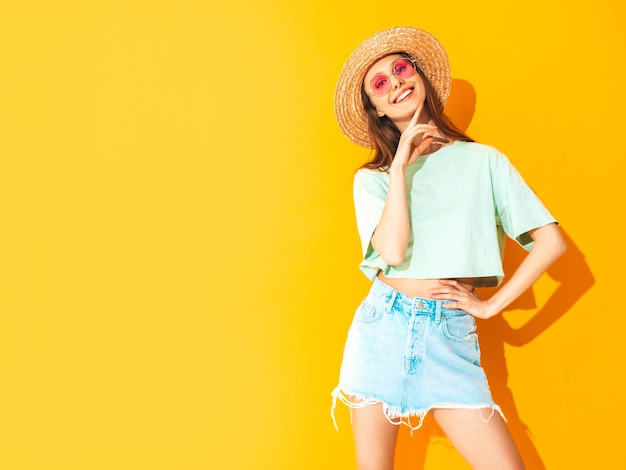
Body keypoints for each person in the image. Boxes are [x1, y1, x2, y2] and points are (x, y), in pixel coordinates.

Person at [330, 26, 567, 470]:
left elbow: (551, 243)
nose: (396, 82)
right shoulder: (373, 179)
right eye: (380, 83)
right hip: (382, 328)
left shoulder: (484, 162)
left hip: (450, 335)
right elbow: (394, 253)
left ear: (419, 75)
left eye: (401, 69)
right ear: (375, 108)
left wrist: (492, 306)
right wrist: (401, 164)